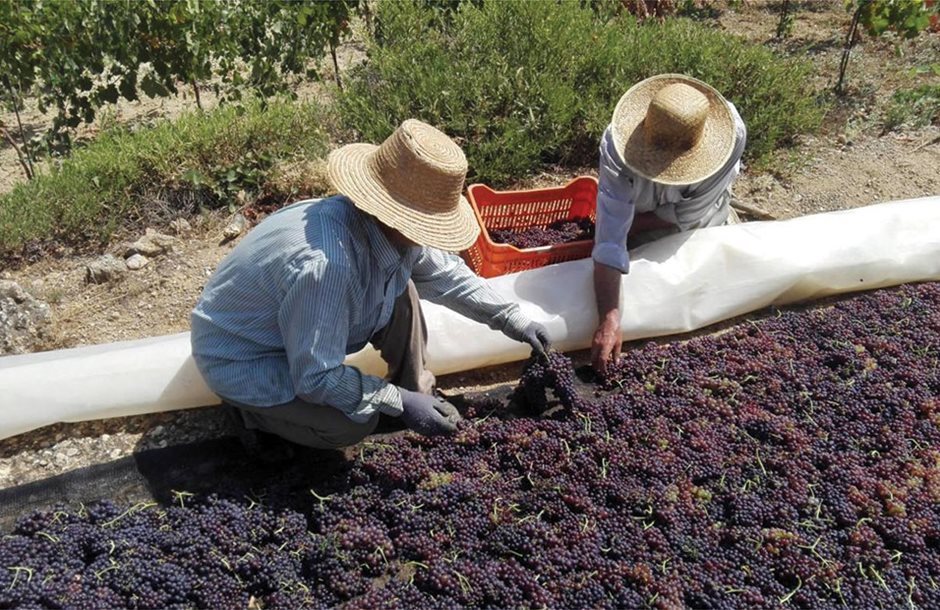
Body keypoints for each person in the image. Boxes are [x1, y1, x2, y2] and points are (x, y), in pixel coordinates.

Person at [191, 119, 551, 454]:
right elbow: (316, 377)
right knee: (351, 423)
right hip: (247, 358)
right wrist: (394, 401)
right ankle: (251, 414)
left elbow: (448, 276)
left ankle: (416, 394)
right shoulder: (328, 266)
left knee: (404, 291)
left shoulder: (390, 233)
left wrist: (514, 320)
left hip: (296, 329)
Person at [591, 73, 747, 375]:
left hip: (697, 224)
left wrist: (628, 229)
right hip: (638, 211)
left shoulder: (732, 140)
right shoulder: (616, 147)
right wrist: (609, 318)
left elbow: (689, 214)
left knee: (695, 284)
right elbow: (610, 238)